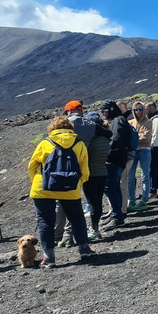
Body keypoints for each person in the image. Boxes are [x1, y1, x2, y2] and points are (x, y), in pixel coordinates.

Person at [28, 116, 96, 267]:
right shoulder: (79, 144)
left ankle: (49, 258)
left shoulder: (45, 143)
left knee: (45, 221)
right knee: (77, 218)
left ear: (52, 128)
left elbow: (32, 167)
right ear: (70, 128)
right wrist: (75, 184)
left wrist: (38, 182)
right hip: (70, 189)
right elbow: (85, 171)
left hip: (43, 189)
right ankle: (84, 250)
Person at [56, 100, 112, 247]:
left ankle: (58, 236)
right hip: (82, 167)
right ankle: (75, 233)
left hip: (61, 167)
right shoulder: (89, 125)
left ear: (68, 111)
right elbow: (108, 133)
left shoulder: (62, 124)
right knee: (80, 201)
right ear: (80, 110)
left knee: (62, 201)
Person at [99, 100, 130, 232]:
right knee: (114, 186)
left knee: (109, 187)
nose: (103, 114)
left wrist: (107, 155)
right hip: (119, 159)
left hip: (115, 160)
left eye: (104, 111)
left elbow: (115, 139)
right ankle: (116, 215)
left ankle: (117, 216)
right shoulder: (119, 119)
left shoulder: (117, 121)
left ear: (111, 109)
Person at [83, 112, 111, 240]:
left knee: (92, 202)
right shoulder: (105, 139)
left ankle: (94, 229)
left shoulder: (91, 141)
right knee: (98, 201)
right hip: (102, 173)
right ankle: (95, 227)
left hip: (91, 174)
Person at [127, 101, 152, 212]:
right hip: (133, 152)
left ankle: (144, 198)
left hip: (144, 151)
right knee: (130, 177)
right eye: (136, 109)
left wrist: (134, 138)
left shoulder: (148, 122)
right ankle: (131, 199)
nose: (138, 112)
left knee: (145, 175)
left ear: (143, 110)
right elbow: (138, 137)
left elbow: (146, 138)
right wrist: (139, 136)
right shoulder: (130, 122)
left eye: (140, 109)